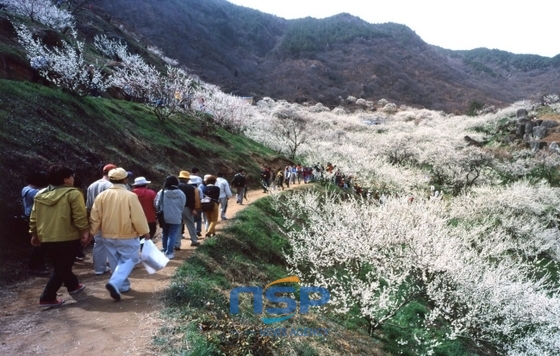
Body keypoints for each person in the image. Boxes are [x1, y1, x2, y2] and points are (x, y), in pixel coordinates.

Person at [29, 165, 91, 307]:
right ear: (65, 180)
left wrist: (34, 234)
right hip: (67, 237)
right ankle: (47, 297)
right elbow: (79, 216)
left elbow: (34, 218)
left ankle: (73, 285)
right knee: (62, 267)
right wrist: (85, 231)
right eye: (72, 176)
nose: (73, 178)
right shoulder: (73, 194)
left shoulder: (40, 195)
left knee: (60, 265)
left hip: (47, 237)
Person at [90, 168, 150, 301]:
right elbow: (138, 217)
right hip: (127, 234)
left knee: (114, 261)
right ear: (125, 179)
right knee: (131, 259)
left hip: (107, 234)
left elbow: (95, 216)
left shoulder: (101, 196)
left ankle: (122, 286)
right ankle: (115, 283)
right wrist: (145, 232)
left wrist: (92, 232)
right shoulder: (130, 196)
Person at [86, 163, 116, 275]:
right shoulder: (110, 186)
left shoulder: (92, 185)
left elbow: (88, 205)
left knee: (98, 243)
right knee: (112, 244)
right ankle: (114, 269)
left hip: (95, 218)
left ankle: (99, 269)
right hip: (109, 219)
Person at [22, 171, 49, 275]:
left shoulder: (26, 188)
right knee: (39, 244)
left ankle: (36, 265)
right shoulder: (34, 192)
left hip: (29, 217)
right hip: (35, 219)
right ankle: (35, 266)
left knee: (39, 244)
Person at [154, 176, 186, 259]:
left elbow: (156, 204)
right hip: (176, 216)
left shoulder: (162, 192)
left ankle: (164, 250)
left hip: (164, 216)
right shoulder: (181, 193)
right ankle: (170, 253)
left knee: (165, 233)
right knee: (172, 234)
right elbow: (183, 205)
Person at [177, 171, 200, 248]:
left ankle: (177, 244)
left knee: (178, 226)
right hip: (187, 208)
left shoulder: (175, 186)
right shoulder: (190, 187)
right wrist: (193, 209)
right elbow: (191, 199)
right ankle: (194, 241)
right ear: (186, 179)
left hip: (177, 208)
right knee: (190, 224)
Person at [132, 177, 157, 241]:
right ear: (146, 184)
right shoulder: (151, 193)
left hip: (134, 219)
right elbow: (156, 205)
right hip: (150, 218)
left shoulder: (131, 194)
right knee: (150, 233)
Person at [189, 167, 203, 236]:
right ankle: (198, 230)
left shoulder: (188, 178)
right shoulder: (199, 180)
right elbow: (201, 196)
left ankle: (193, 232)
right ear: (197, 172)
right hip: (197, 203)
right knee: (198, 218)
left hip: (188, 204)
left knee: (191, 219)